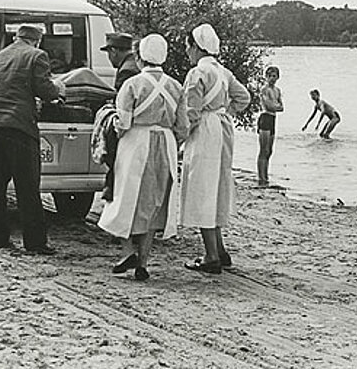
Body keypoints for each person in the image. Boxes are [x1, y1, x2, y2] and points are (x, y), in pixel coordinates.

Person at [98, 34, 188, 281]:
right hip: (165, 144)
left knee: (125, 196)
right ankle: (143, 262)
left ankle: (128, 250)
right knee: (153, 201)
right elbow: (183, 127)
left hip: (136, 143)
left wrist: (110, 122)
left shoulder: (132, 85)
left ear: (140, 57)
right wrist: (171, 140)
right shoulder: (176, 86)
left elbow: (124, 122)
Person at [0, 24, 64, 255]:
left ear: (16, 37)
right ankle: (35, 243)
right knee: (27, 187)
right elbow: (45, 90)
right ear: (37, 41)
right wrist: (59, 90)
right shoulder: (37, 56)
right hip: (18, 127)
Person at [180, 24, 251, 274]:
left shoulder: (197, 73)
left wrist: (179, 140)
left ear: (197, 47)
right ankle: (219, 248)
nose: (187, 51)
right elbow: (244, 98)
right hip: (222, 128)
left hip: (206, 132)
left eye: (189, 46)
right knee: (217, 185)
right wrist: (226, 112)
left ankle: (211, 256)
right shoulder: (224, 72)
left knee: (202, 187)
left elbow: (191, 113)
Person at [98, 32, 139, 201]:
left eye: (109, 53)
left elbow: (123, 105)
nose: (109, 58)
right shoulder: (134, 64)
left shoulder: (126, 71)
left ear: (114, 51)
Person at [256, 66, 283, 187]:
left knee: (269, 151)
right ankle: (261, 178)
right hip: (265, 118)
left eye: (274, 76)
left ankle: (266, 175)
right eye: (270, 76)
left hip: (273, 119)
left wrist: (275, 106)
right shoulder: (264, 90)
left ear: (278, 77)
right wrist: (275, 106)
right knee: (263, 150)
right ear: (266, 77)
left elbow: (281, 107)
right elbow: (269, 106)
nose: (272, 78)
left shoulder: (277, 90)